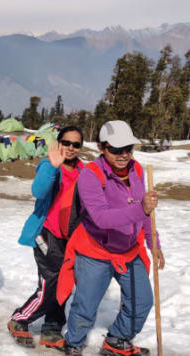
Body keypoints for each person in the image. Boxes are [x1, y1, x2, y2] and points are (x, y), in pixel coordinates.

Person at [60, 121, 165, 356]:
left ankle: (117, 339)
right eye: (116, 149)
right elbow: (101, 218)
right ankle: (74, 344)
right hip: (95, 250)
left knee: (142, 302)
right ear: (101, 147)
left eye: (128, 148)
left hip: (129, 248)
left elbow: (145, 213)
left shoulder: (137, 170)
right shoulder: (91, 175)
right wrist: (142, 210)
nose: (124, 154)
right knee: (86, 306)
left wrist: (153, 243)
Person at [8, 127, 84, 350]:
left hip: (70, 237)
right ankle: (20, 319)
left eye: (76, 144)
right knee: (50, 283)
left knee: (65, 282)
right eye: (66, 142)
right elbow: (39, 191)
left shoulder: (84, 171)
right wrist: (53, 165)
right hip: (47, 234)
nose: (70, 148)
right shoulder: (48, 165)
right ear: (58, 143)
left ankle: (51, 328)